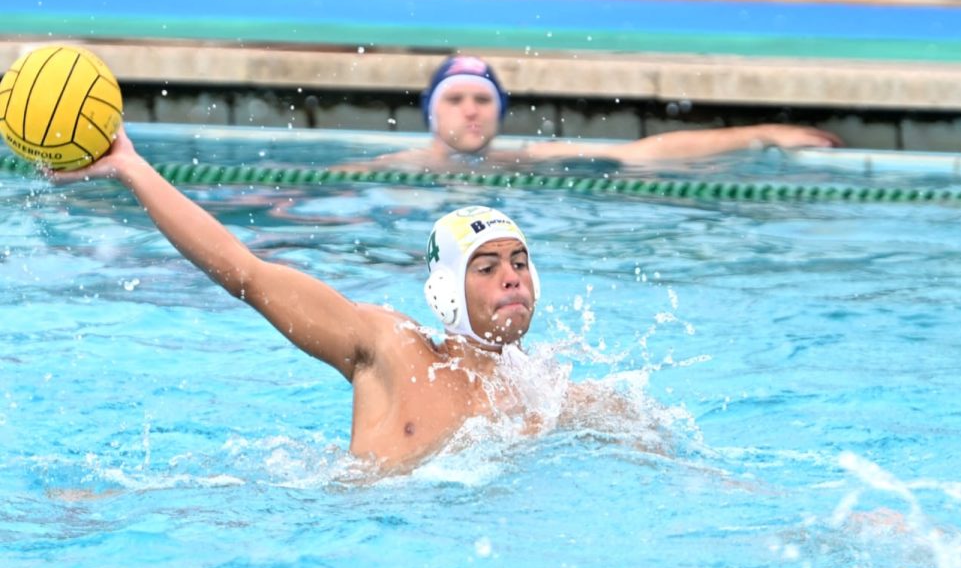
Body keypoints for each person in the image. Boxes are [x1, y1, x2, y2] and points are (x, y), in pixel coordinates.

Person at [46, 131, 635, 471]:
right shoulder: (391, 348)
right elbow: (246, 274)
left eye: (519, 263)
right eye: (486, 267)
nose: (511, 278)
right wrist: (131, 167)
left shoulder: (553, 395)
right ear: (446, 292)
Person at [360, 54, 841, 171]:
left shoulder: (525, 161)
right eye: (455, 100)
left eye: (483, 100)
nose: (471, 111)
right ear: (431, 113)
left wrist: (764, 133)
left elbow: (644, 153)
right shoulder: (393, 171)